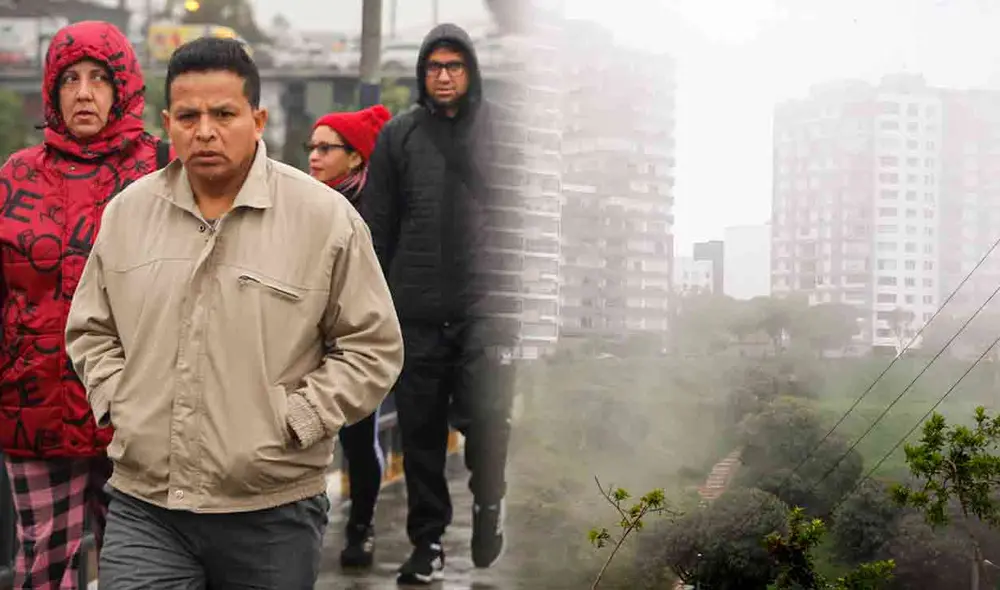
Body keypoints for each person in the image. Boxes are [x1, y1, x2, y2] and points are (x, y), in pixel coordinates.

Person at [64, 37, 403, 589]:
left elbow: (373, 347)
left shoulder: (323, 219)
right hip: (145, 504)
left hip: (271, 511)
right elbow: (91, 329)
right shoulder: (128, 215)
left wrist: (299, 418)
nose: (205, 131)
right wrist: (118, 401)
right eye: (189, 116)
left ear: (258, 118)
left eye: (224, 114)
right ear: (168, 121)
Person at [0, 20, 172, 589]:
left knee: (138, 567)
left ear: (124, 87)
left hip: (136, 410)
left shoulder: (165, 173)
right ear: (51, 90)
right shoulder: (15, 177)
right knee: (41, 563)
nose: (83, 92)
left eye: (100, 78)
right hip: (35, 409)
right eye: (68, 78)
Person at [362, 23, 519, 585]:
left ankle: (488, 505)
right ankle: (427, 544)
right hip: (417, 311)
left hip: (487, 310)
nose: (445, 76)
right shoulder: (398, 137)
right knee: (422, 434)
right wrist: (374, 305)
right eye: (434, 67)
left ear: (470, 71)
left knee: (489, 421)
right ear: (422, 74)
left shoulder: (501, 133)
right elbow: (377, 225)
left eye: (455, 66)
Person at [306, 104, 392, 568]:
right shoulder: (300, 203)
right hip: (303, 340)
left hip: (354, 342)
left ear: (356, 157)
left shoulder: (374, 209)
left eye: (326, 148)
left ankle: (361, 526)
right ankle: (308, 525)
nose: (314, 157)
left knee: (360, 439)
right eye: (311, 148)